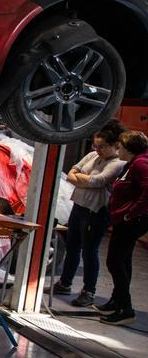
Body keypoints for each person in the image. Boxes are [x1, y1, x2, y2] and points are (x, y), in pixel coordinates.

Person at [52, 123, 125, 307]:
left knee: (90, 251)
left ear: (115, 145)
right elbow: (71, 173)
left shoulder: (118, 164)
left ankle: (88, 291)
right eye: (95, 146)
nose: (97, 150)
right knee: (72, 246)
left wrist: (82, 178)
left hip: (96, 211)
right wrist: (86, 179)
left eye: (102, 147)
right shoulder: (93, 156)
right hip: (79, 205)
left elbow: (98, 181)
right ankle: (65, 283)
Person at [97, 130, 148, 326]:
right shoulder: (133, 163)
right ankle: (117, 300)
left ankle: (126, 308)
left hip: (131, 221)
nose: (118, 151)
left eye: (120, 147)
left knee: (115, 261)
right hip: (125, 219)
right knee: (123, 260)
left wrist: (131, 212)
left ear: (129, 148)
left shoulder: (141, 164)